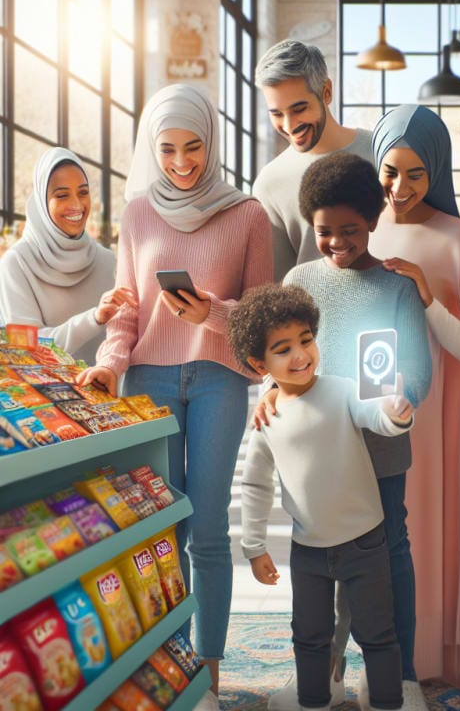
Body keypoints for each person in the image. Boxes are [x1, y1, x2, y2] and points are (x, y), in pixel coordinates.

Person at [78, 84, 272, 709]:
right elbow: (126, 315)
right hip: (150, 380)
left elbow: (262, 318)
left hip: (218, 377)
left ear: (211, 143)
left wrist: (209, 312)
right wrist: (109, 364)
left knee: (208, 528)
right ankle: (170, 659)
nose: (182, 162)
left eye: (193, 148)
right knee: (164, 524)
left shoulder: (247, 214)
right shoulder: (137, 213)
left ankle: (207, 671)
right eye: (167, 150)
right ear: (151, 148)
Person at [269, 151, 432, 711]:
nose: (337, 242)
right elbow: (277, 354)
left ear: (375, 220)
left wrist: (401, 393)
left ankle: (398, 674)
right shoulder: (298, 280)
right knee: (320, 564)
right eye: (324, 232)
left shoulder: (395, 287)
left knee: (388, 557)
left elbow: (420, 372)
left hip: (381, 450)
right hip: (317, 455)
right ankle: (327, 670)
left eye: (351, 231)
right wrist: (273, 389)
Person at [232, 284, 414, 711]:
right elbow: (255, 483)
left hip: (365, 542)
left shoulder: (344, 389)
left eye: (306, 340)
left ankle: (388, 702)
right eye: (283, 349)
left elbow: (378, 417)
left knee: (378, 634)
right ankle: (313, 701)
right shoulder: (267, 413)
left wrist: (396, 412)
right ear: (260, 363)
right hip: (308, 549)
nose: (300, 355)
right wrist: (254, 546)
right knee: (309, 636)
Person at [369, 105, 460, 685]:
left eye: (416, 173)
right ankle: (383, 655)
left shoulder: (456, 239)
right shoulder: (362, 229)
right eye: (390, 171)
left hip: (438, 413)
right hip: (374, 401)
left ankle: (437, 656)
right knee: (379, 533)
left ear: (438, 171)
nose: (400, 188)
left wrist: (424, 295)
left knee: (427, 530)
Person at [0, 147, 135, 364]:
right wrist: (93, 318)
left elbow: (124, 335)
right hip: (44, 395)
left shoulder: (107, 260)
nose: (76, 205)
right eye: (62, 195)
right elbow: (27, 349)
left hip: (107, 392)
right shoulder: (16, 264)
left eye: (83, 192)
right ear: (42, 202)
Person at [253, 40, 374, 281]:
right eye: (276, 114)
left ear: (326, 92)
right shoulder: (269, 183)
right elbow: (277, 285)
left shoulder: (380, 153)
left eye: (299, 109)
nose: (289, 126)